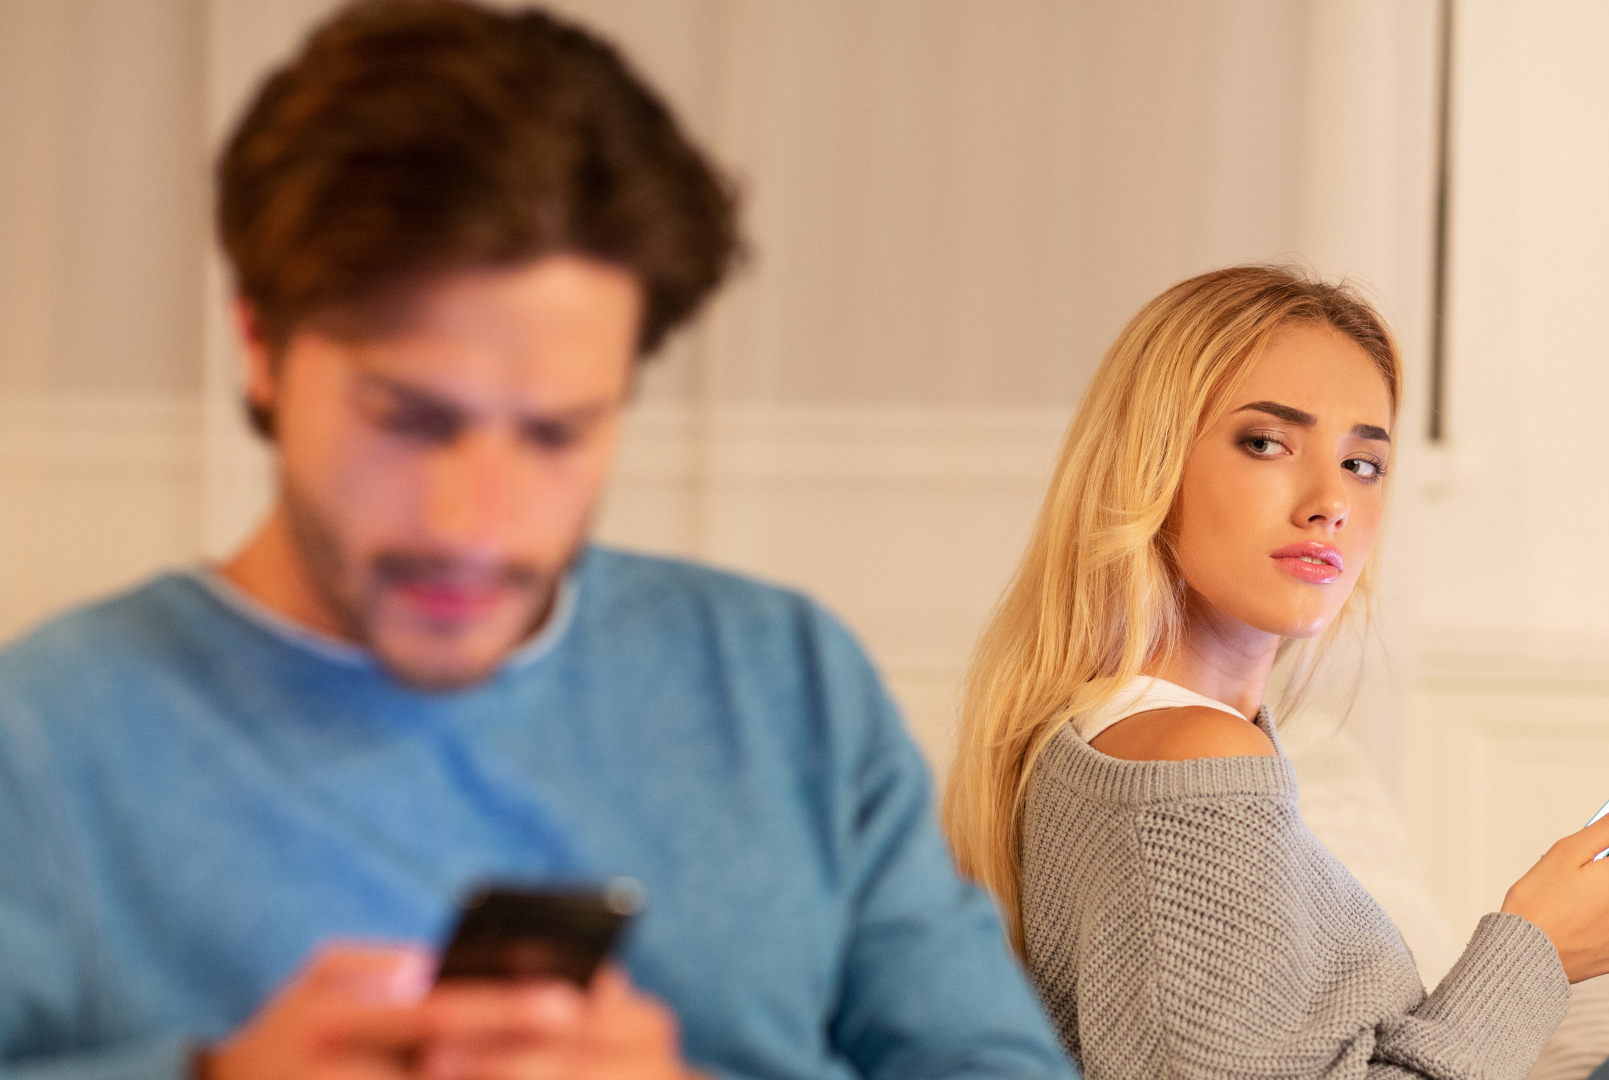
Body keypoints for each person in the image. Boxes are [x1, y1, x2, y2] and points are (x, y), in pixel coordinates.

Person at [0, 4, 1075, 1080]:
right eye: (412, 420)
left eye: (558, 434)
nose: (478, 524)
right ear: (261, 349)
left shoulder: (782, 683)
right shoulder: (47, 738)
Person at [942, 265, 1609, 1080]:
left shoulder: (1103, 738)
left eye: (1363, 463)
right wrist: (1538, 949)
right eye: (1266, 443)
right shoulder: (1191, 764)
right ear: (1151, 463)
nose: (1331, 501)